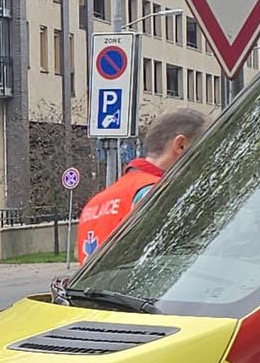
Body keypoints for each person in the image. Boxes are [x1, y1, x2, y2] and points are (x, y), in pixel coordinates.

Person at [74, 107, 210, 264]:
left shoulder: (95, 203)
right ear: (181, 145)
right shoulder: (159, 194)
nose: (207, 160)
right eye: (204, 149)